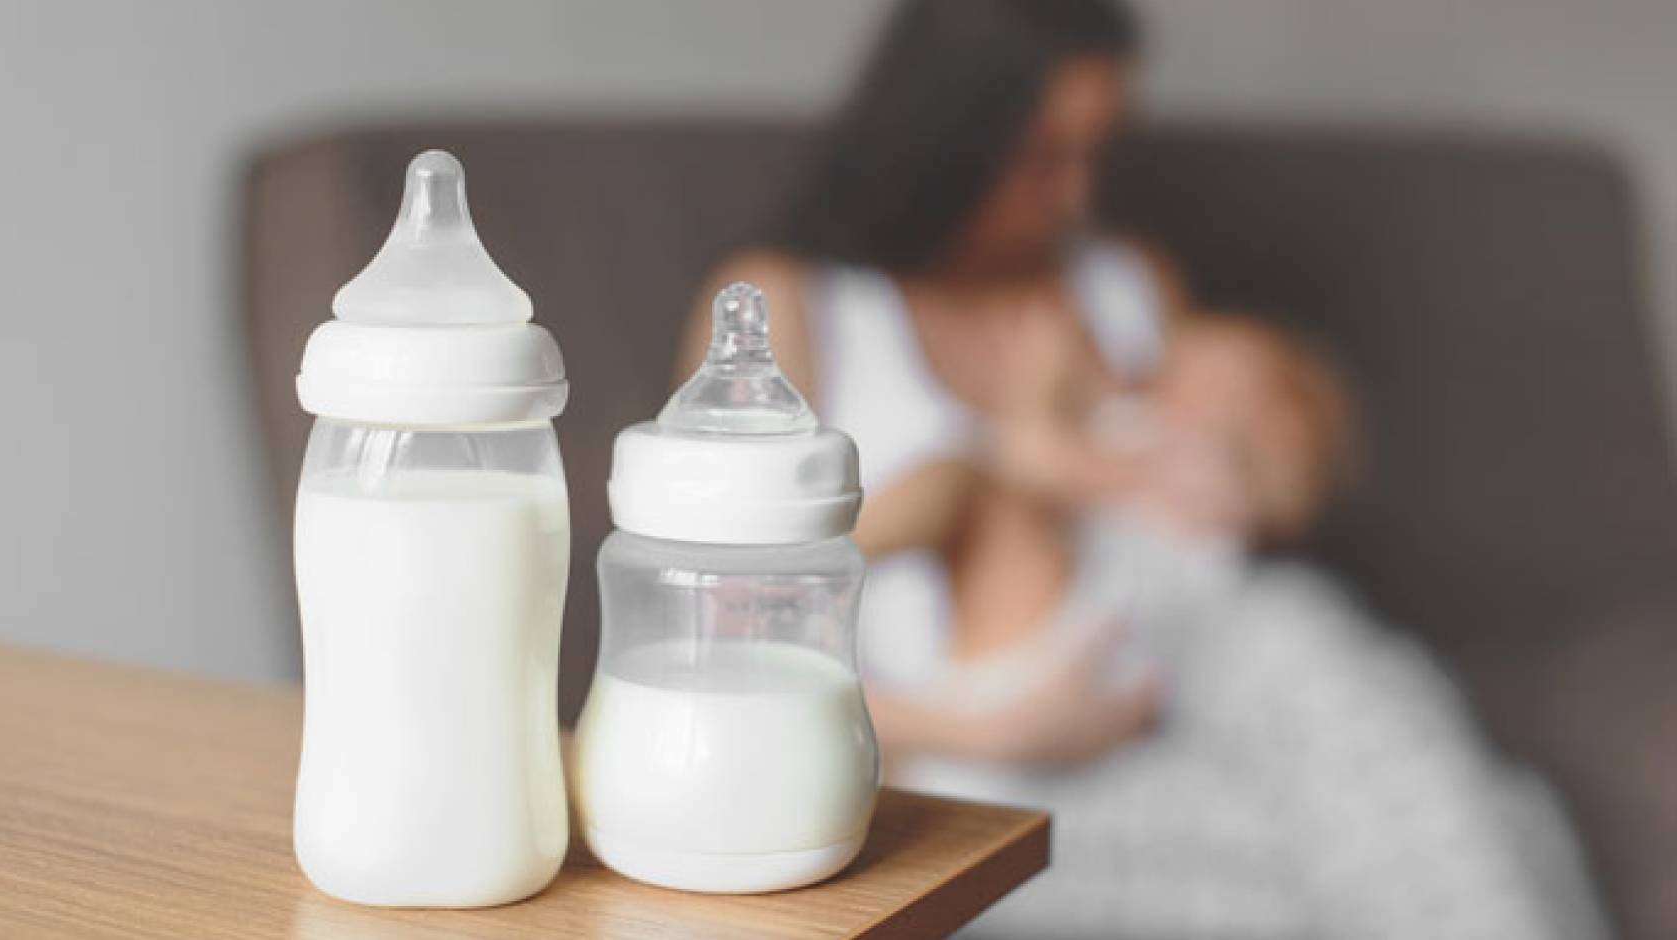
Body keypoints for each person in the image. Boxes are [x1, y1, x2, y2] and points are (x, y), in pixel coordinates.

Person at [679, 1, 1605, 936]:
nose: (1075, 195)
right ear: (945, 134)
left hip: (1183, 693)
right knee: (1452, 837)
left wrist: (1226, 473)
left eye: (1096, 151)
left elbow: (1248, 480)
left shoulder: (1120, 282)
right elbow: (714, 641)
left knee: (1427, 781)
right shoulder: (788, 305)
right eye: (1044, 155)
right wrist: (995, 729)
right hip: (962, 748)